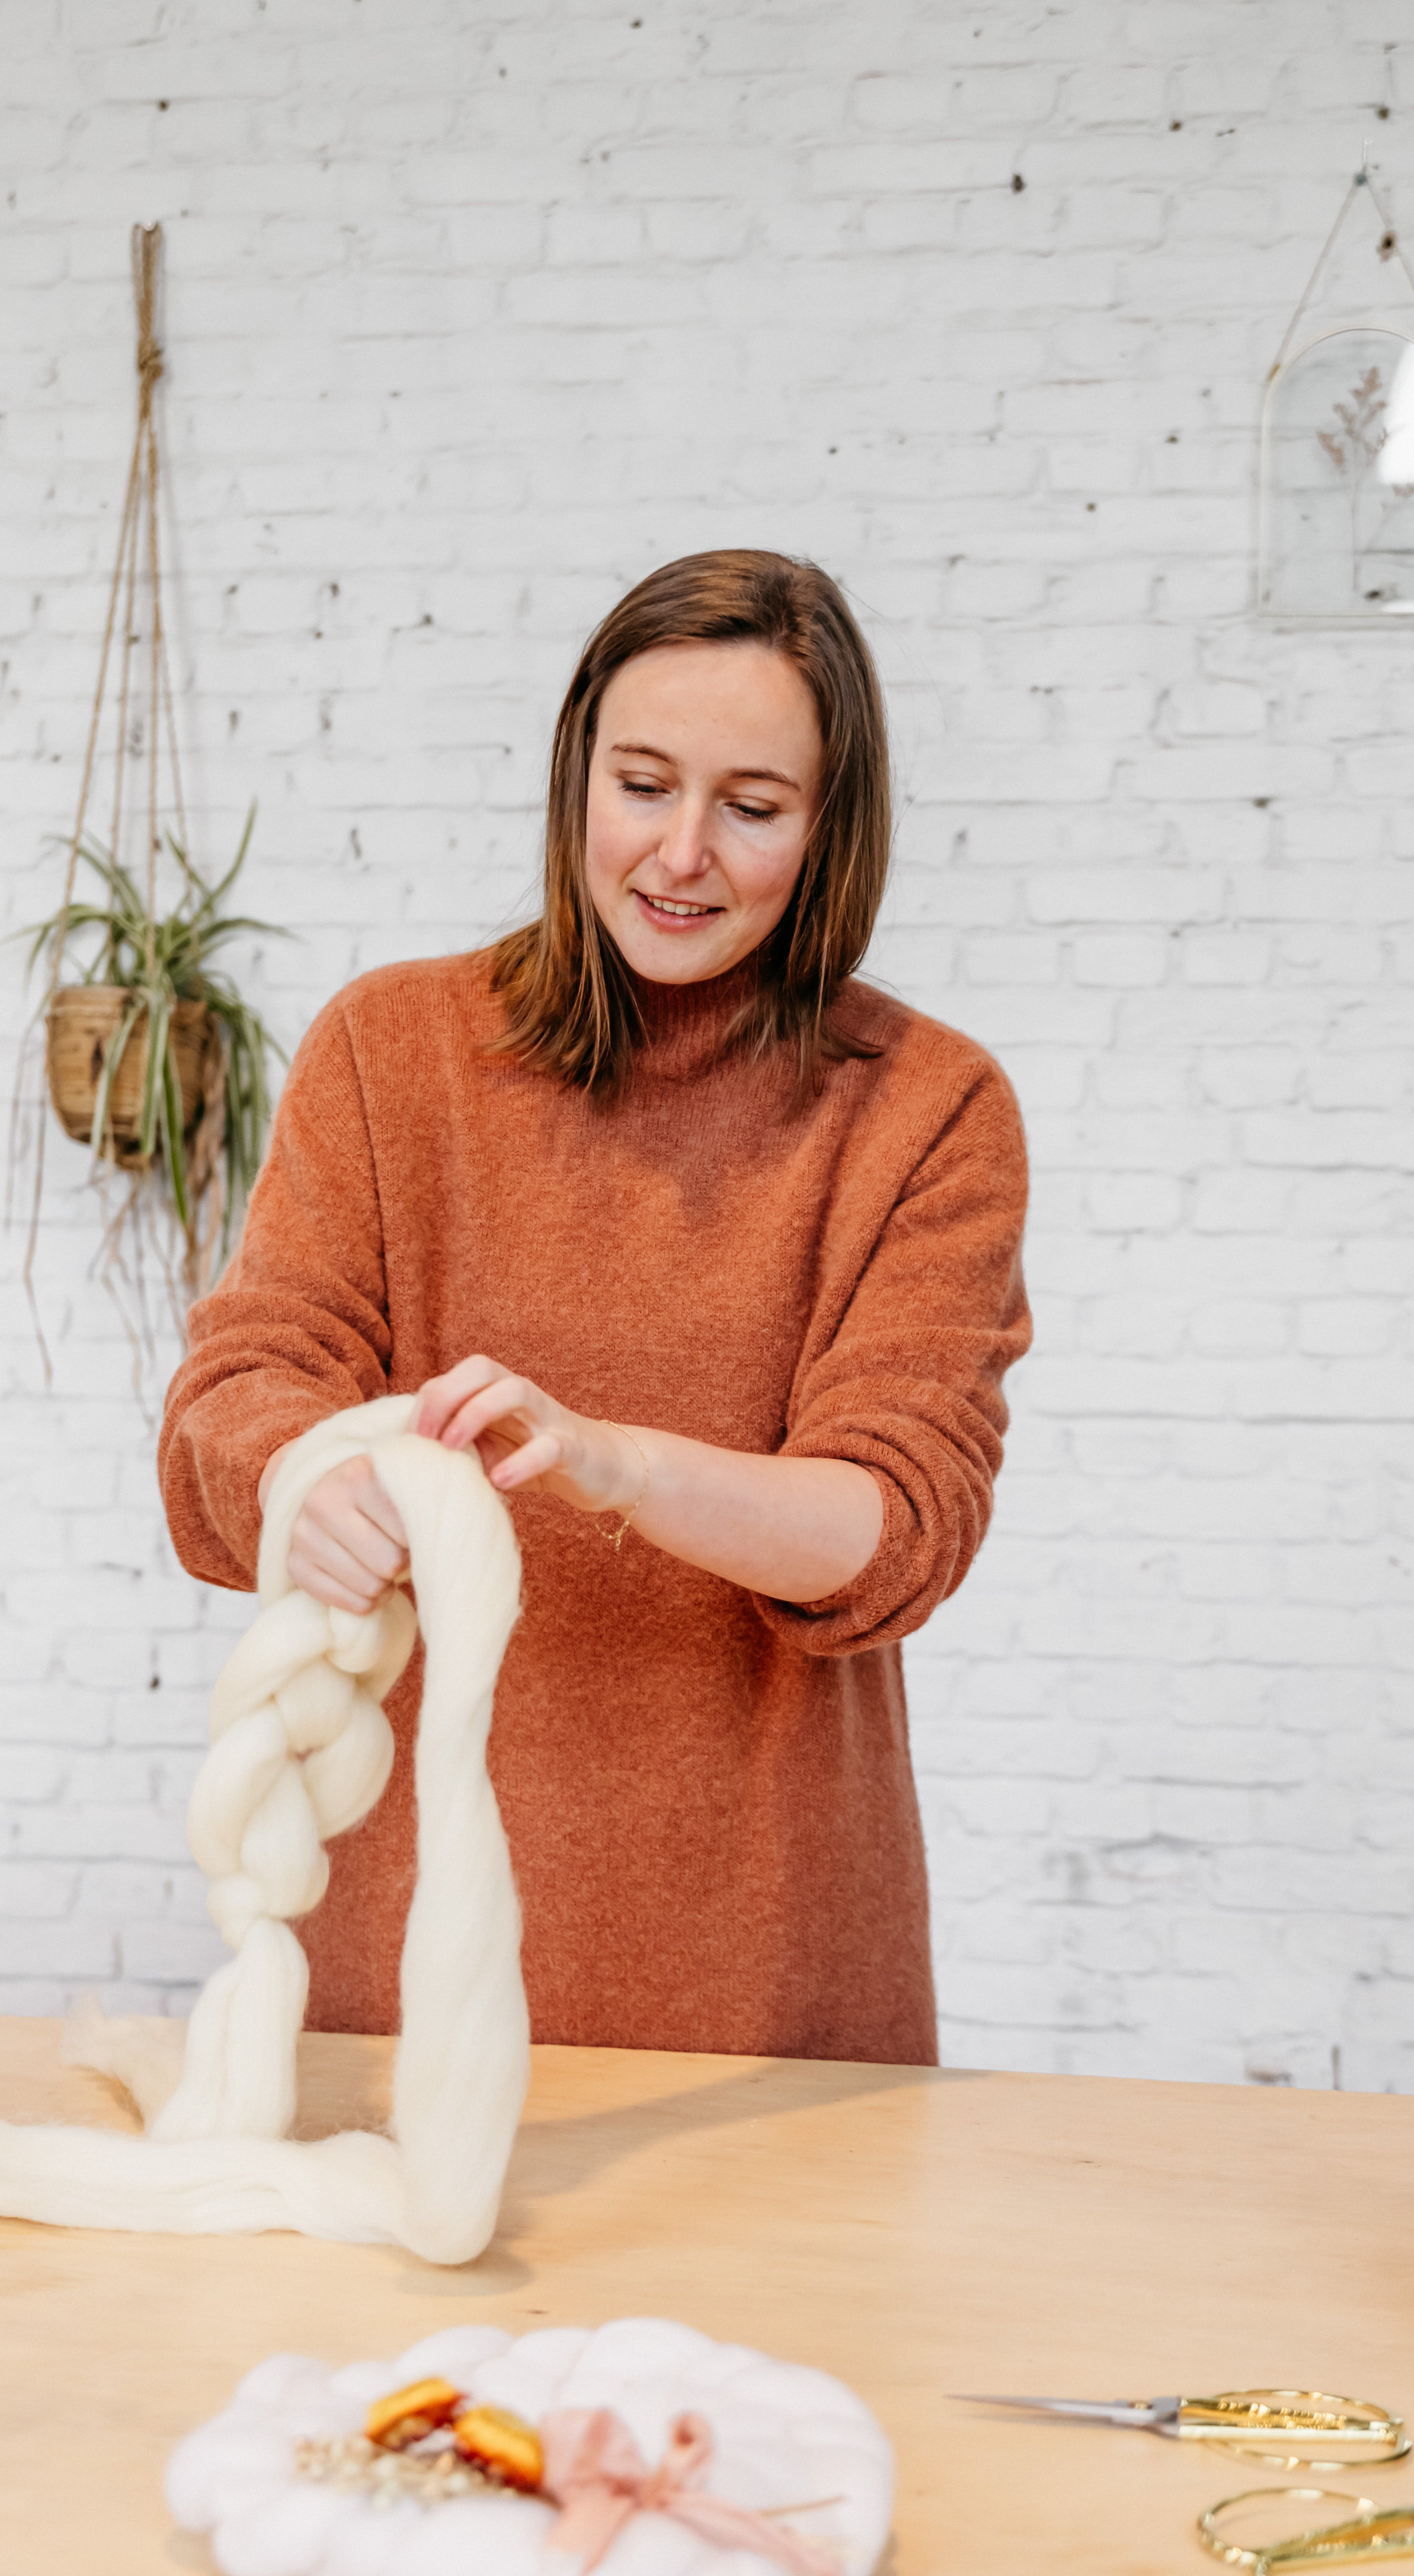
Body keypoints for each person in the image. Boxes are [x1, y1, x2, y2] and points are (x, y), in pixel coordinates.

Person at [159, 548, 1031, 2066]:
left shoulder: (929, 1109)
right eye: (642, 784)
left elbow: (896, 1524)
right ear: (578, 776)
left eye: (753, 808)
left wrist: (615, 1466)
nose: (682, 852)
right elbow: (243, 1388)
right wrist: (301, 1481)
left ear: (831, 830)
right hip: (395, 1951)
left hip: (767, 1980)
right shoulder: (392, 1051)